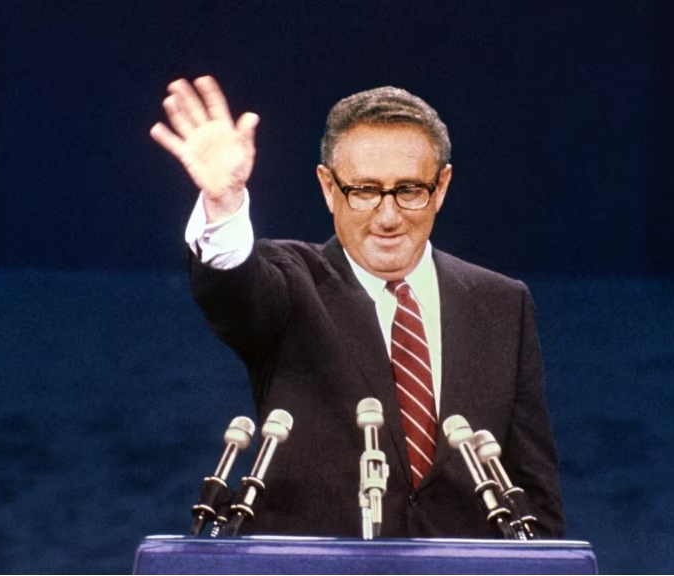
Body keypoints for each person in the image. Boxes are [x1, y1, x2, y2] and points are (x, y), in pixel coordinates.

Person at [150, 76, 564, 538]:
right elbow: (234, 295)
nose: (388, 217)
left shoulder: (501, 304)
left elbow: (533, 495)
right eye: (364, 191)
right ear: (329, 187)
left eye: (409, 190)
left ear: (441, 186)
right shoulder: (290, 284)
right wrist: (223, 205)